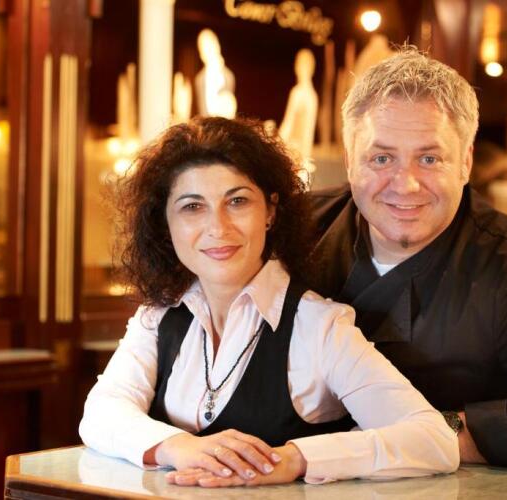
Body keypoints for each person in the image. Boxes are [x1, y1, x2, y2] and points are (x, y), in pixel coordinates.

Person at [78, 117, 458, 487]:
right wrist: (177, 447)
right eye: (192, 207)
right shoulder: (158, 316)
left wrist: (295, 459)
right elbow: (101, 412)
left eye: (237, 201)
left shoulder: (318, 326)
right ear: (165, 223)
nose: (218, 228)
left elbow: (434, 440)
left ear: (271, 212)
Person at [307, 47, 507, 469]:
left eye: (429, 159)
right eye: (382, 158)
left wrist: (429, 436)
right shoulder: (296, 231)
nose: (405, 184)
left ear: (465, 163)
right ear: (349, 161)